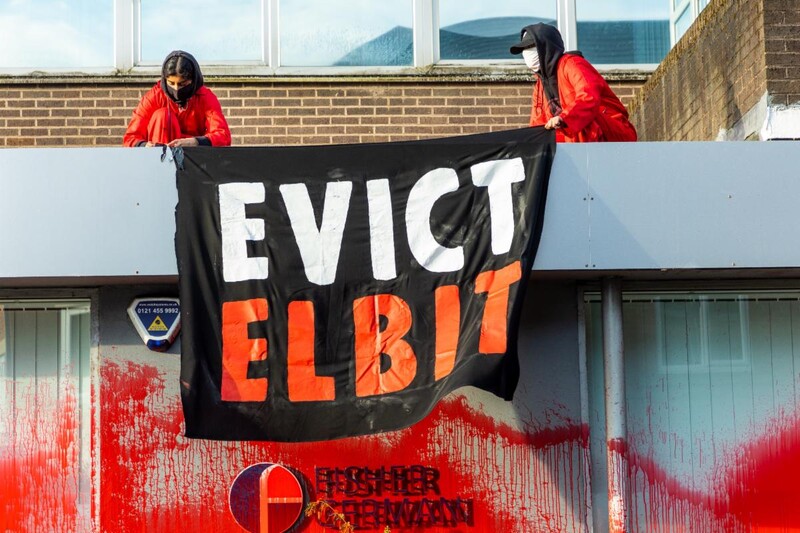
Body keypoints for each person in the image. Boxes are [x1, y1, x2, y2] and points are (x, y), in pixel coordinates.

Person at [510, 23, 637, 143]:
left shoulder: (572, 63)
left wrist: (564, 118)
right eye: (524, 49)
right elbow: (537, 123)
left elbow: (589, 97)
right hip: (577, 141)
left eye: (530, 47)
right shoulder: (540, 85)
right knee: (545, 139)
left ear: (545, 46)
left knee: (578, 123)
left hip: (610, 132)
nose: (526, 53)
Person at [123, 50, 231, 147]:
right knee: (162, 115)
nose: (176, 89)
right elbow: (130, 138)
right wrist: (145, 145)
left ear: (193, 80)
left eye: (182, 84)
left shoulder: (205, 97)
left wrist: (196, 141)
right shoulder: (154, 97)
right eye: (171, 83)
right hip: (158, 154)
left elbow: (223, 135)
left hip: (192, 157)